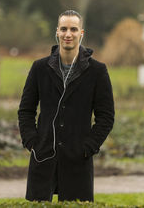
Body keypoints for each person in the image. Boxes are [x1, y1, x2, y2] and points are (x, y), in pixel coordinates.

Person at [18, 10, 115, 202]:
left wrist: (89, 147)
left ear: (81, 33)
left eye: (73, 29)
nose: (68, 34)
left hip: (78, 159)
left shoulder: (97, 71)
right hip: (42, 155)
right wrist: (31, 142)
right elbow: (25, 110)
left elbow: (106, 117)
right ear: (57, 32)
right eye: (64, 29)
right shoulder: (39, 68)